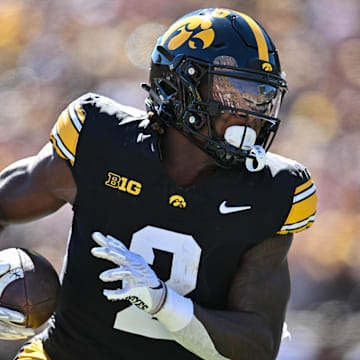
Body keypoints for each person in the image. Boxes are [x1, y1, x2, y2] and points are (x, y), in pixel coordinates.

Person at [0, 8, 317, 360]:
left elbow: (257, 346)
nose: (250, 112)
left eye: (260, 96)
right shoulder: (101, 140)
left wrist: (165, 303)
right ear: (181, 86)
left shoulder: (272, 191)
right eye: (234, 92)